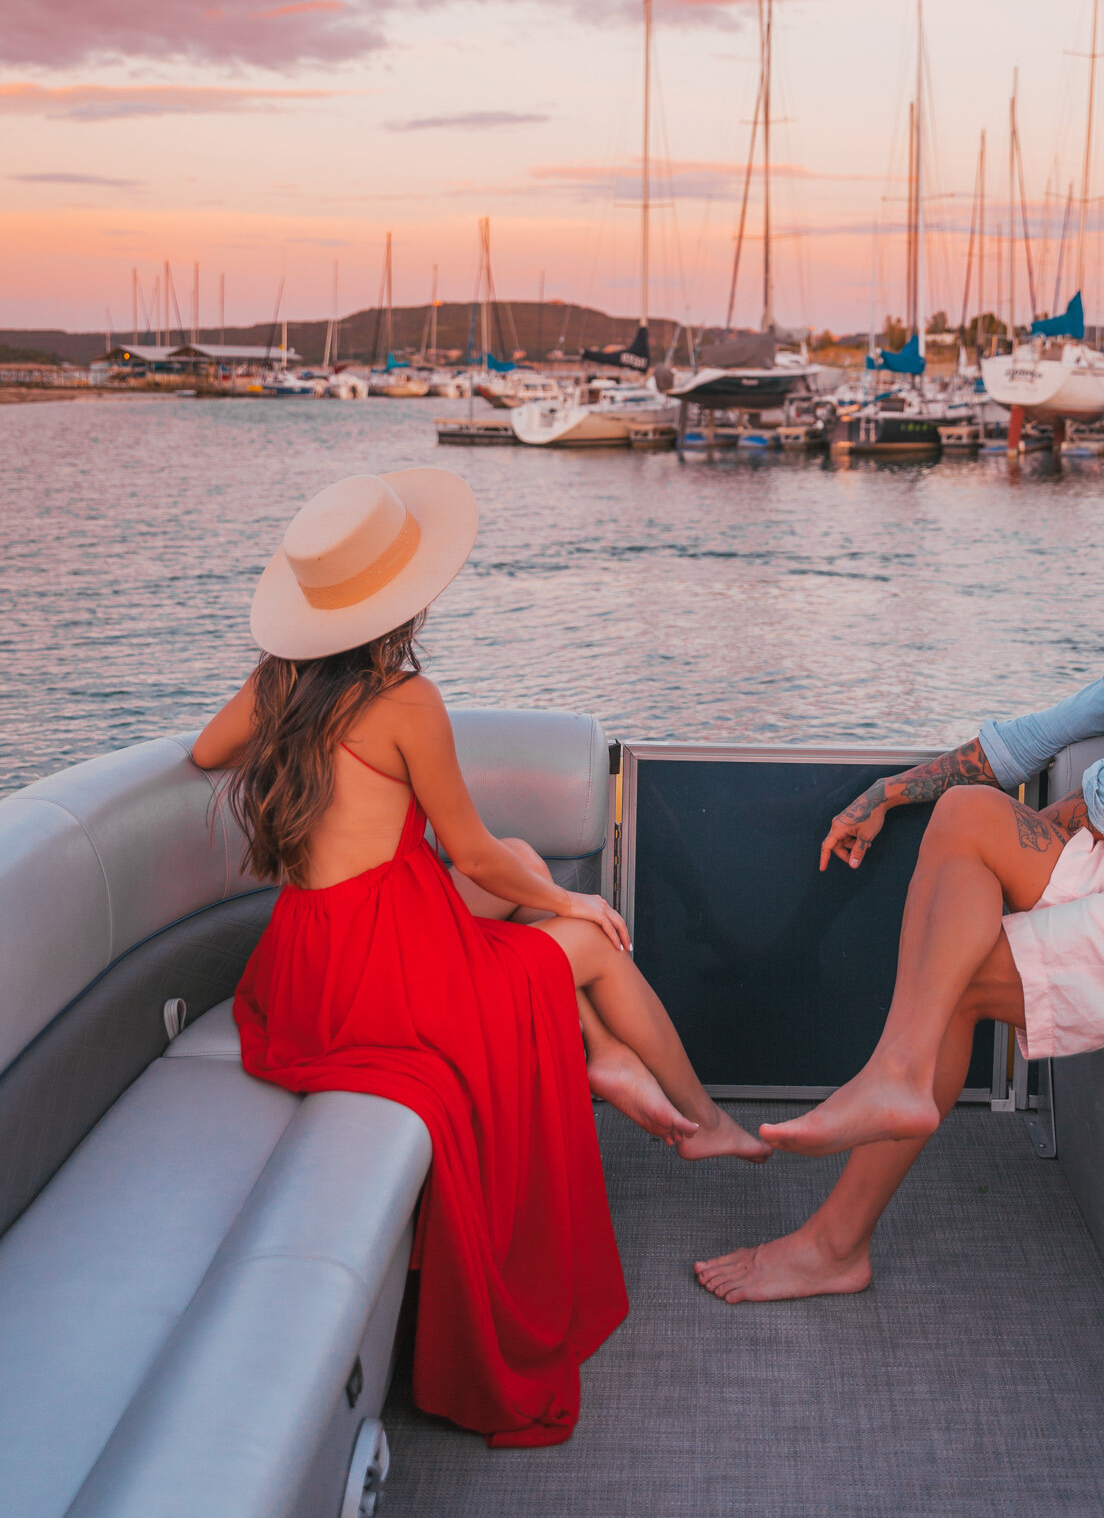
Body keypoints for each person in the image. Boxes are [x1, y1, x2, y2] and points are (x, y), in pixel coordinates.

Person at [194, 468, 765, 1448]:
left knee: (532, 870)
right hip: (387, 975)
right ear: (400, 601)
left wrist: (530, 880)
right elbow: (467, 849)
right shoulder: (404, 699)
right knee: (583, 932)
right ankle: (702, 1118)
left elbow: (209, 755)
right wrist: (573, 901)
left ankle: (599, 1056)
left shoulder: (278, 683)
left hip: (306, 962)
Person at [695, 465, 1104, 1305]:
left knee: (958, 975)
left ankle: (835, 1241)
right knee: (971, 811)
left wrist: (1071, 819)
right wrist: (880, 795)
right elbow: (1016, 747)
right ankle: (896, 1074)